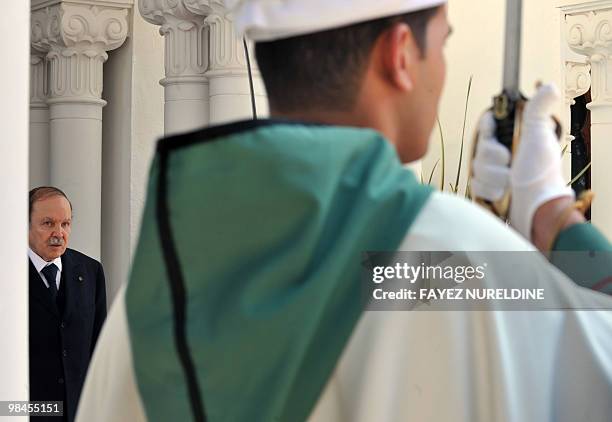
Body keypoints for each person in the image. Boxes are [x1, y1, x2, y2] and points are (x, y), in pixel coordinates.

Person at [76, 1, 612, 421]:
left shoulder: (145, 304)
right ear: (400, 53)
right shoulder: (460, 267)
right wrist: (554, 220)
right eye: (442, 43)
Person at [28, 187, 107, 422]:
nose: (58, 233)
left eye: (65, 224)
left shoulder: (91, 271)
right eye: (48, 223)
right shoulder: (6, 274)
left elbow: (98, 348)